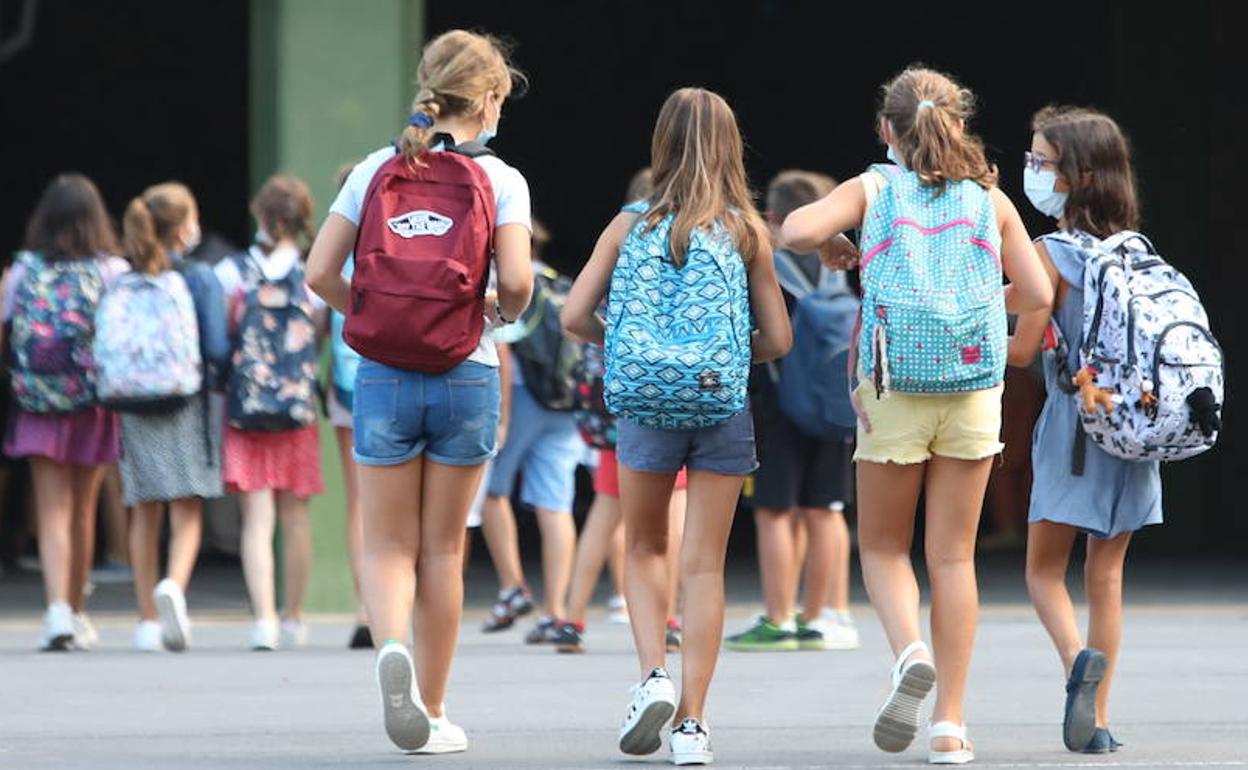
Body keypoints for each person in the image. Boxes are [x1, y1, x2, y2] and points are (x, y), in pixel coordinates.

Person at [782, 66, 1052, 764]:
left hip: (894, 386)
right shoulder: (989, 199)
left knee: (880, 548)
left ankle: (909, 654)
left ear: (885, 130)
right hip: (970, 385)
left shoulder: (873, 187)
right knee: (954, 556)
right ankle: (951, 728)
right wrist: (980, 304)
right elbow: (1035, 289)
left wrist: (839, 246)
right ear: (958, 125)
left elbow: (793, 229)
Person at [306, 29, 532, 755]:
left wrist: (373, 316)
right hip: (466, 371)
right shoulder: (502, 180)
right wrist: (489, 313)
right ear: (492, 97)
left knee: (386, 545)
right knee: (442, 551)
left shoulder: (375, 168)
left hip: (384, 377)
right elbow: (521, 286)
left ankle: (390, 645)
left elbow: (317, 274)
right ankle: (431, 710)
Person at [563, 87, 792, 766]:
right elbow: (777, 338)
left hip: (643, 406)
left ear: (659, 144)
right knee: (704, 566)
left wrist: (630, 346)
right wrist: (718, 357)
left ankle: (651, 678)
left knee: (644, 548)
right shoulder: (746, 229)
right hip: (721, 406)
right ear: (731, 147)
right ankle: (692, 725)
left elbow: (573, 315)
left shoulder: (626, 224)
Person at [1008, 106, 1161, 754]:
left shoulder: (1048, 255)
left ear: (1077, 174)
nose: (1031, 171)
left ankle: (1075, 660)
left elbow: (1016, 332)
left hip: (1074, 425)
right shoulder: (1139, 253)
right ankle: (1097, 721)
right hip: (1134, 423)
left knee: (1044, 572)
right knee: (1109, 573)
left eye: (1041, 161)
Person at [554, 169, 688, 655]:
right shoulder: (683, 245)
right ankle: (668, 617)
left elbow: (576, 316)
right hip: (675, 395)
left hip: (620, 399)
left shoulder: (619, 241)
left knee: (604, 514)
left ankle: (571, 617)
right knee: (672, 517)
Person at [726, 169, 860, 653]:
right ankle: (817, 616)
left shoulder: (765, 264)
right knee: (825, 510)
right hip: (833, 407)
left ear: (772, 217)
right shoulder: (840, 264)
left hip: (777, 407)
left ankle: (778, 618)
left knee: (775, 512)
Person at [1, 173, 129, 651]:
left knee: (52, 510)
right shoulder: (112, 271)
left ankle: (56, 610)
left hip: (38, 403)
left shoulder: (21, 272)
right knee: (83, 510)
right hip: (93, 403)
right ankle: (75, 611)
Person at [116, 182, 228, 652]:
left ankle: (145, 619)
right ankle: (173, 588)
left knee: (144, 510)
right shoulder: (200, 277)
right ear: (185, 227)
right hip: (186, 400)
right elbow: (217, 348)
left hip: (134, 402)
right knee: (187, 508)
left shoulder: (124, 277)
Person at [215, 175, 324, 651]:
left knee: (256, 519)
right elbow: (318, 339)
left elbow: (223, 340)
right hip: (296, 408)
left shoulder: (231, 272)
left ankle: (263, 620)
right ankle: (294, 616)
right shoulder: (313, 275)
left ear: (260, 215)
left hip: (246, 410)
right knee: (296, 515)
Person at [477, 221, 583, 643]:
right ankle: (554, 611)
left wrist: (500, 420)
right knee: (556, 504)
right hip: (565, 405)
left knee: (490, 492)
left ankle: (513, 587)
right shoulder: (560, 283)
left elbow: (500, 348)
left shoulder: (505, 283)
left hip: (520, 399)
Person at [326, 161, 372, 650]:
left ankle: (366, 607)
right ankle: (400, 603)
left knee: (359, 501)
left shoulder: (336, 247)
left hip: (345, 381)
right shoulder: (390, 237)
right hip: (394, 372)